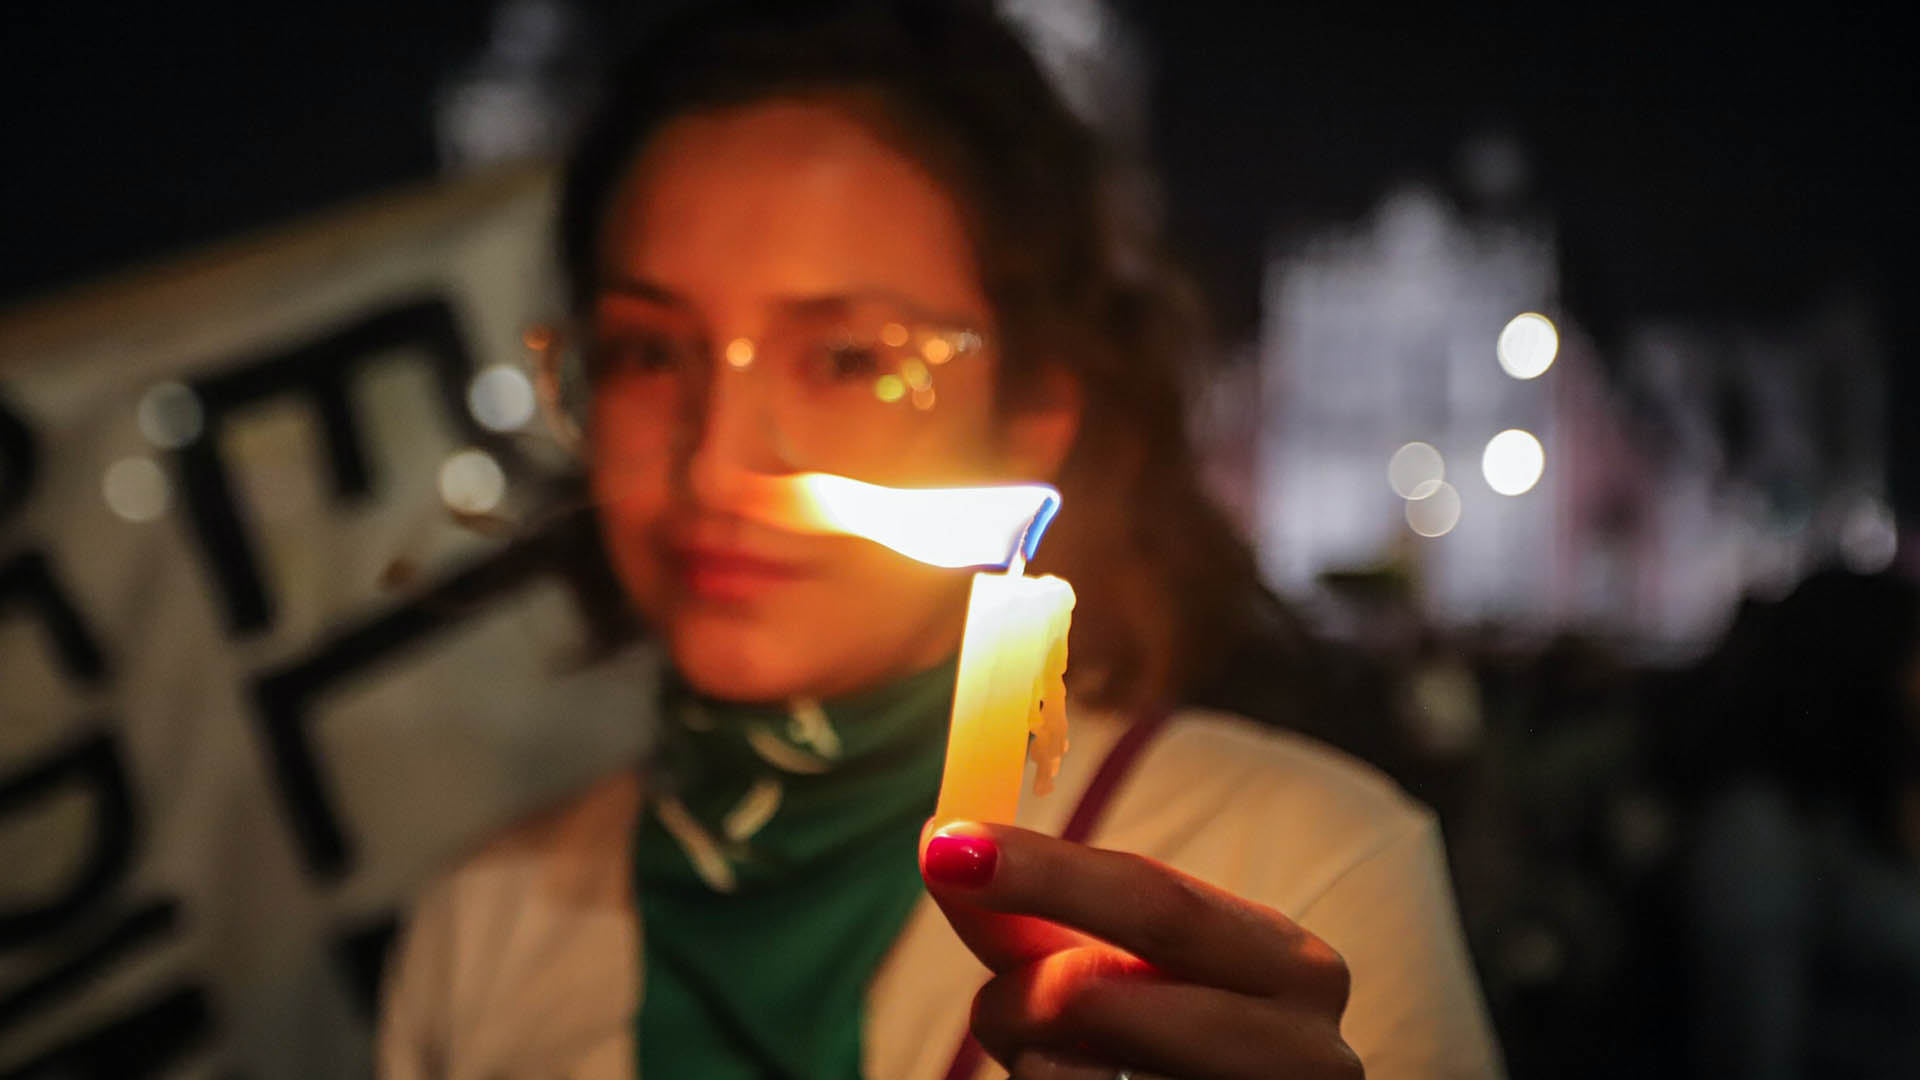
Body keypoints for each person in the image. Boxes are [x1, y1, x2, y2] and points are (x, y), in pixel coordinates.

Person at [378, 2, 1501, 1077]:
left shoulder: (1287, 870)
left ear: (1037, 411)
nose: (718, 465)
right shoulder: (484, 931)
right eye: (644, 354)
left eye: (848, 358)